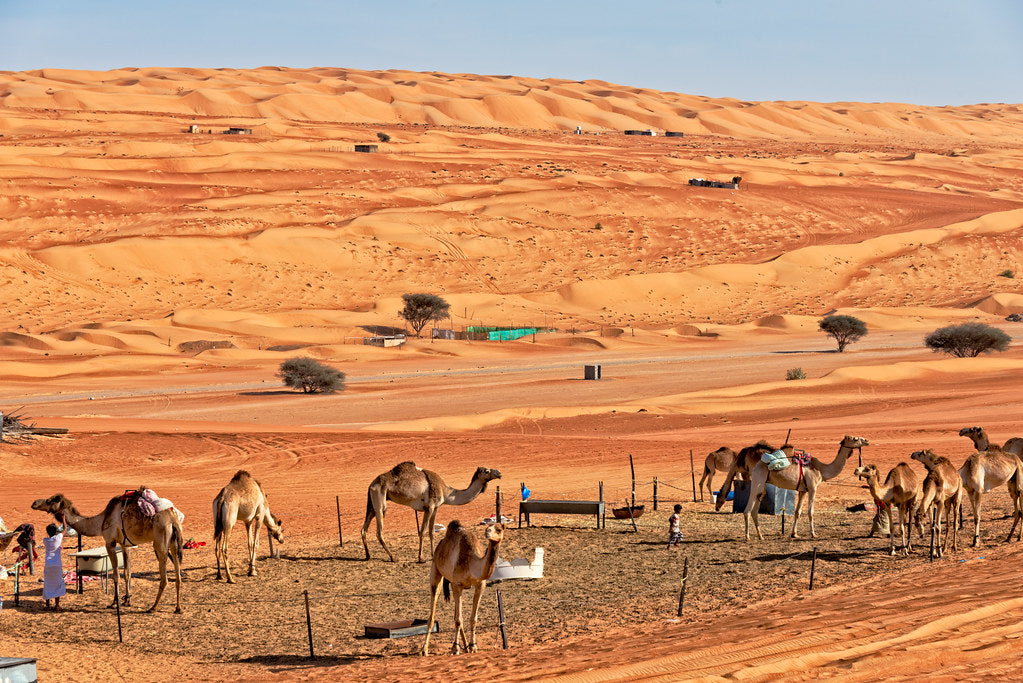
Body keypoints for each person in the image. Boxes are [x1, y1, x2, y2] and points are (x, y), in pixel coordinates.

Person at [42, 523, 66, 611]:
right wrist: (63, 519)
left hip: (48, 564)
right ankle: (57, 605)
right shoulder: (58, 537)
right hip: (57, 565)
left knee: (47, 584)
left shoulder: (45, 540)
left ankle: (47, 605)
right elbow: (65, 529)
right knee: (57, 584)